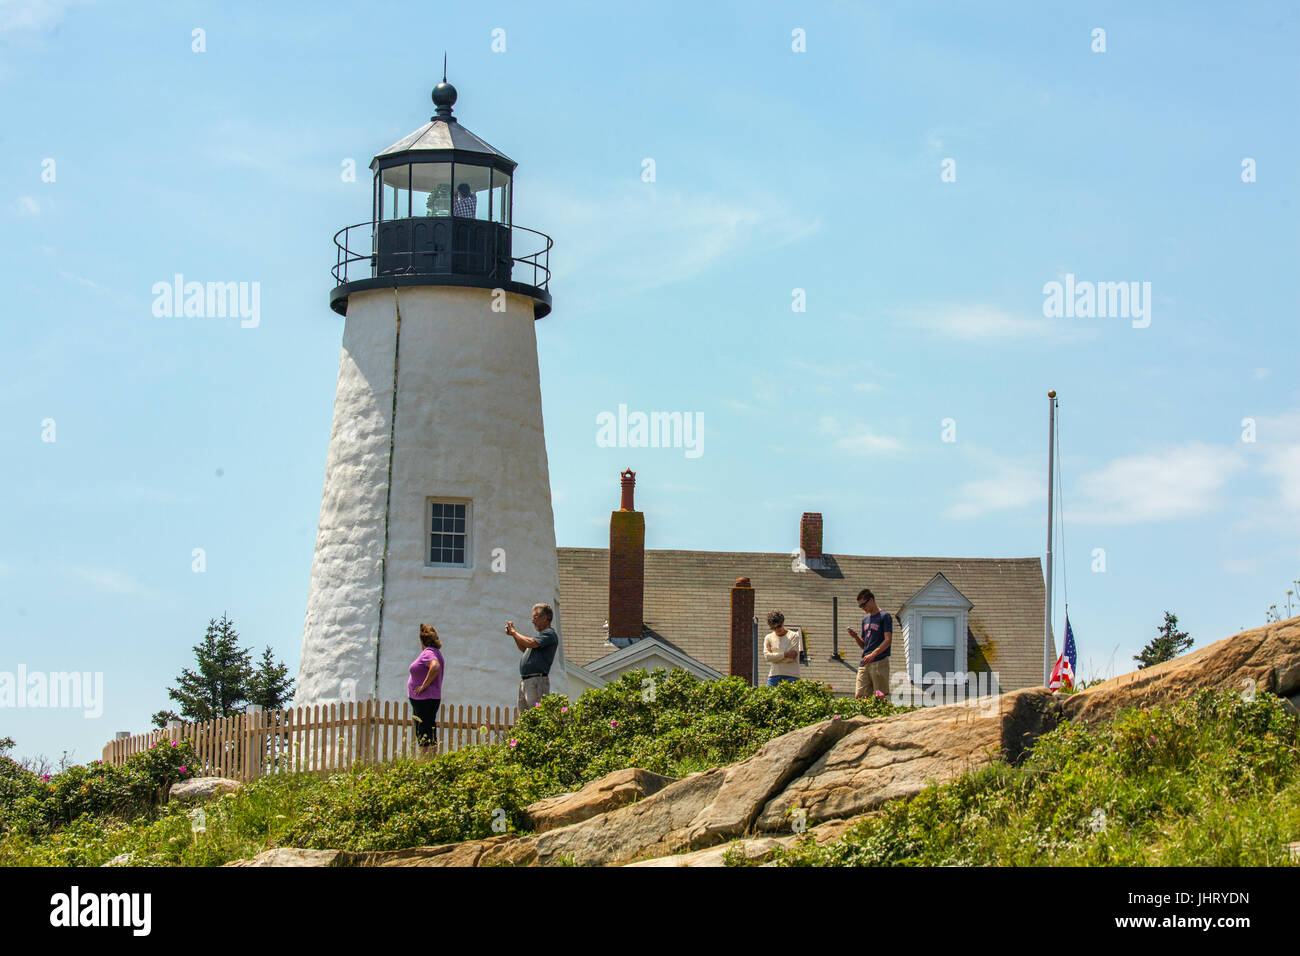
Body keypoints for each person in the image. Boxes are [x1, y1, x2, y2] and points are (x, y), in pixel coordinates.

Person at [506, 603, 559, 712]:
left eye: (535, 617)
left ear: (545, 618)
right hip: (527, 680)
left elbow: (531, 643)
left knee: (537, 715)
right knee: (525, 718)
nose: (532, 621)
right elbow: (524, 648)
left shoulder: (549, 633)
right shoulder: (541, 636)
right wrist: (514, 635)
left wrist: (515, 633)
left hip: (537, 681)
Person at [848, 588, 892, 699]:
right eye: (860, 606)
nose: (863, 608)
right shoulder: (865, 619)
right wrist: (856, 637)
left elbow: (888, 640)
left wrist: (873, 655)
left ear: (871, 600)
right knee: (859, 696)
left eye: (864, 605)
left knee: (880, 697)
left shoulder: (884, 616)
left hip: (879, 661)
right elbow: (864, 645)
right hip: (865, 662)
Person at [408, 623, 445, 755]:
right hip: (429, 698)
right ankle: (431, 759)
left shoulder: (428, 653)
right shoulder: (436, 652)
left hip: (425, 699)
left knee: (423, 732)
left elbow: (435, 666)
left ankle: (424, 761)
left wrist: (424, 685)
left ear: (421, 640)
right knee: (429, 730)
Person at [762, 609, 801, 687]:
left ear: (783, 623)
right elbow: (767, 657)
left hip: (792, 676)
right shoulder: (768, 637)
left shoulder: (793, 636)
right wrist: (785, 654)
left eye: (778, 626)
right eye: (773, 628)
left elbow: (792, 657)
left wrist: (774, 655)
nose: (776, 629)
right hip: (773, 676)